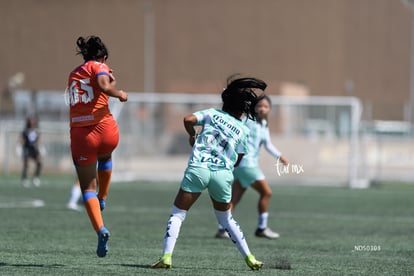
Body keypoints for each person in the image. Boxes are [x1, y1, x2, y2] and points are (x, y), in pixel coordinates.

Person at [151, 76, 267, 270]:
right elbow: (239, 158)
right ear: (242, 109)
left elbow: (188, 119)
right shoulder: (243, 129)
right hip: (222, 175)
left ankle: (167, 257)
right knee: (227, 219)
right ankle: (250, 258)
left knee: (178, 214)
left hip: (199, 169)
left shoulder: (212, 114)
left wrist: (192, 135)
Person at [67, 35, 128, 257]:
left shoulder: (74, 73)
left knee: (86, 189)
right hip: (105, 130)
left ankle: (100, 229)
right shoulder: (100, 66)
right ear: (103, 56)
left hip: (82, 134)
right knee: (106, 157)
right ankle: (104, 196)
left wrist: (109, 84)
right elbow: (103, 85)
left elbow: (90, 90)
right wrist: (118, 91)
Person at [215, 95, 289, 240]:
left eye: (265, 106)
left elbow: (267, 145)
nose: (262, 109)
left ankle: (222, 229)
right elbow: (234, 130)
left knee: (234, 198)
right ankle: (262, 228)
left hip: (243, 166)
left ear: (269, 110)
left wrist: (280, 156)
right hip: (246, 165)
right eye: (259, 106)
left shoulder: (263, 125)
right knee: (266, 193)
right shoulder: (248, 121)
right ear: (253, 108)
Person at [20, 116, 42, 188]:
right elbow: (22, 140)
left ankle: (36, 178)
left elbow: (38, 141)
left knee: (39, 163)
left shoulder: (37, 131)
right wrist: (19, 147)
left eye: (34, 122)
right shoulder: (25, 131)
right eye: (31, 122)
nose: (33, 123)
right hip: (27, 148)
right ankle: (24, 179)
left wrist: (40, 149)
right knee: (26, 164)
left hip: (34, 149)